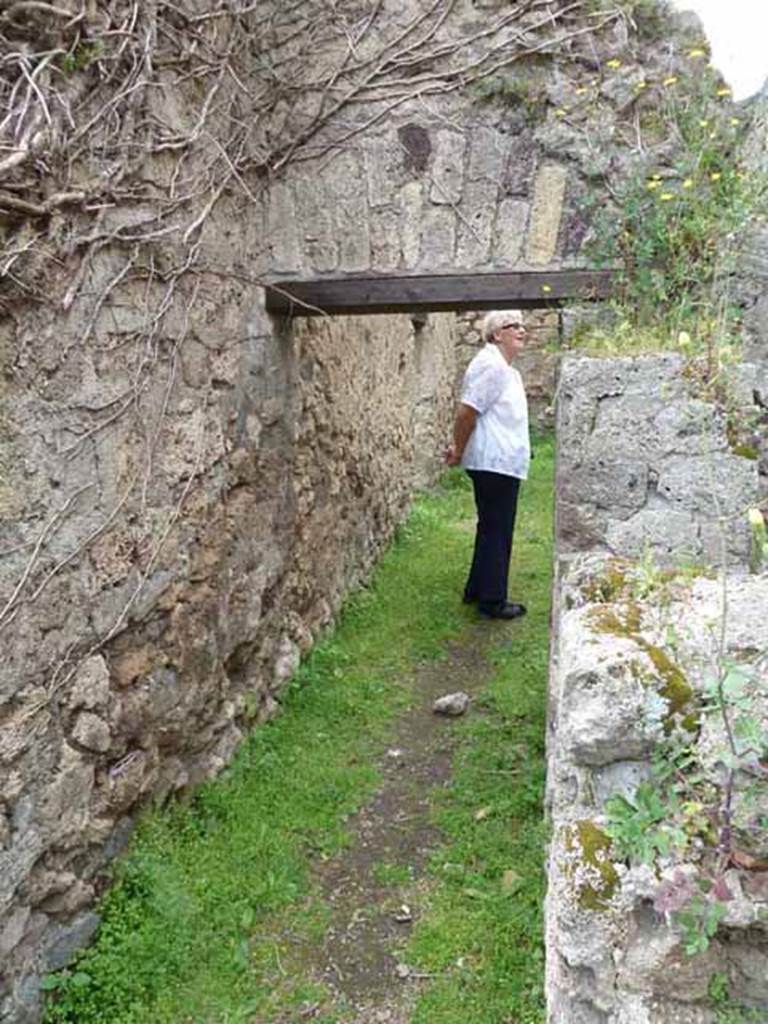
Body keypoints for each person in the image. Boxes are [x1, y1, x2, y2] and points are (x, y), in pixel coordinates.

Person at [445, 310, 530, 620]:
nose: (522, 330)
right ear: (497, 335)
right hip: (495, 462)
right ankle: (492, 600)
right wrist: (457, 448)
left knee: (490, 526)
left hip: (498, 461)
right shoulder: (493, 367)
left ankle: (477, 589)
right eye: (513, 326)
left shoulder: (502, 367)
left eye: (522, 325)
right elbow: (467, 412)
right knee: (498, 529)